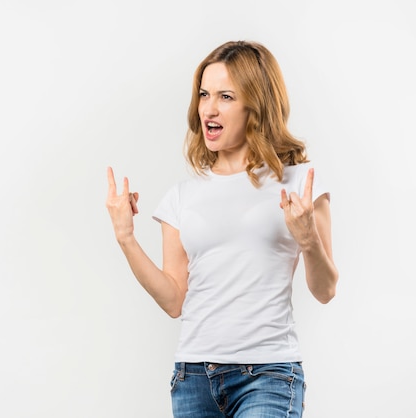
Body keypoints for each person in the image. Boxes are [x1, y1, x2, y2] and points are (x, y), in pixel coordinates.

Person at [105, 40, 338, 418]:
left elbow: (326, 290)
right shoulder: (182, 196)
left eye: (226, 96)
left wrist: (308, 240)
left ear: (255, 106)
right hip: (193, 377)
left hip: (269, 375)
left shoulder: (298, 184)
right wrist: (126, 239)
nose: (209, 109)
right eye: (204, 94)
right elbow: (173, 300)